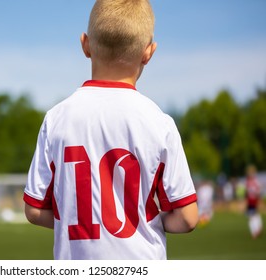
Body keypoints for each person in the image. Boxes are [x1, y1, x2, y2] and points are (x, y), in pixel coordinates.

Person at [23, 0, 198, 260]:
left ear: (85, 44)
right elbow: (187, 218)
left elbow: (34, 209)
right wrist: (140, 222)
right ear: (148, 52)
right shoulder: (160, 124)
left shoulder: (56, 118)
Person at [245, 165, 263, 239]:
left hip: (252, 201)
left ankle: (255, 231)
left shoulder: (251, 182)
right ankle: (259, 227)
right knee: (255, 215)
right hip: (252, 201)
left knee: (251, 217)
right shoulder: (253, 181)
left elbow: (257, 192)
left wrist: (258, 199)